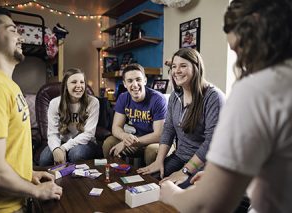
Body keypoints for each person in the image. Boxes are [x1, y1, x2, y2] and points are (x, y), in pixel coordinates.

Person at [160, 0, 292, 212]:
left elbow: (208, 204)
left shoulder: (256, 90)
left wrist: (171, 193)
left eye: (240, 51)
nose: (241, 63)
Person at [0, 5, 62, 212]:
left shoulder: (7, 84)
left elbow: (6, 151)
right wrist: (36, 191)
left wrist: (27, 174)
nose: (21, 36)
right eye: (12, 30)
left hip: (14, 198)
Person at [137, 48, 225, 189]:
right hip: (179, 157)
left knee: (173, 190)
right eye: (174, 66)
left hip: (205, 164)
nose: (176, 71)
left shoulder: (213, 97)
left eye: (183, 66)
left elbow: (211, 143)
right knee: (149, 182)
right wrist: (159, 161)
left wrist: (185, 171)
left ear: (196, 68)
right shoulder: (174, 96)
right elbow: (168, 129)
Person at [102, 63, 168, 166]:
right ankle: (113, 177)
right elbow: (116, 127)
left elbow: (159, 135)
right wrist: (124, 136)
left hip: (156, 142)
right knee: (109, 143)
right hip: (136, 140)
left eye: (138, 79)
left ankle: (150, 181)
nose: (135, 85)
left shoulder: (158, 99)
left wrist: (127, 142)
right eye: (130, 81)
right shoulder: (123, 98)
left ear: (145, 81)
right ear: (124, 84)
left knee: (151, 151)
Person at [39, 68, 101, 166]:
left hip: (85, 143)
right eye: (74, 82)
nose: (79, 86)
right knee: (44, 159)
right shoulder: (55, 103)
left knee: (76, 154)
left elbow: (88, 134)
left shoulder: (93, 102)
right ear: (66, 86)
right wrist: (56, 149)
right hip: (61, 142)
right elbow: (52, 133)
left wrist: (64, 148)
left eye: (82, 82)